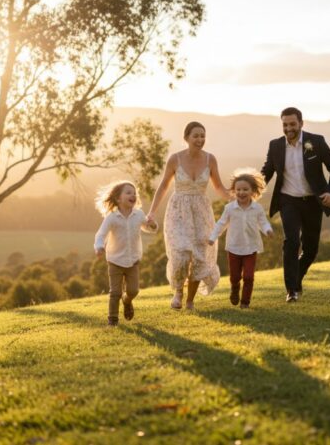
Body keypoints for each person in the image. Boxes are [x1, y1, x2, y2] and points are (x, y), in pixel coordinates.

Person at [146, 121, 230, 310]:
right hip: (178, 211)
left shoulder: (210, 159)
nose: (200, 139)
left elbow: (219, 188)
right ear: (186, 138)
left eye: (203, 135)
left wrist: (239, 198)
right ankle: (178, 291)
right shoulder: (175, 159)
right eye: (196, 136)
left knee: (200, 256)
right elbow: (163, 186)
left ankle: (190, 300)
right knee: (180, 254)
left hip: (201, 211)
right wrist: (151, 211)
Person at [261, 107, 330, 303]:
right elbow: (267, 171)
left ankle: (296, 279)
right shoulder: (275, 146)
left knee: (311, 249)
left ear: (301, 124)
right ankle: (292, 290)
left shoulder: (316, 141)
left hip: (313, 201)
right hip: (288, 200)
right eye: (285, 125)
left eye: (292, 124)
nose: (288, 128)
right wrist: (248, 189)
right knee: (292, 242)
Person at [94, 181, 157, 326]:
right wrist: (98, 246)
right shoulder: (112, 217)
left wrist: (152, 224)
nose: (133, 195)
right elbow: (101, 235)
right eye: (128, 193)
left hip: (133, 260)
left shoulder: (139, 214)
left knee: (133, 290)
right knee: (115, 292)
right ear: (118, 199)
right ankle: (113, 320)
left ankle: (127, 300)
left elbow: (147, 227)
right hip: (115, 261)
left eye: (134, 193)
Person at [208, 169, 273, 309]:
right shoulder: (230, 208)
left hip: (251, 248)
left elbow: (263, 222)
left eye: (245, 189)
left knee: (249, 277)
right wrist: (213, 237)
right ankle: (235, 289)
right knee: (235, 277)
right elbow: (221, 224)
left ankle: (245, 302)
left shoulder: (257, 208)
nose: (241, 192)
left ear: (252, 191)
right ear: (234, 190)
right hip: (234, 248)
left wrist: (268, 230)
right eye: (238, 189)